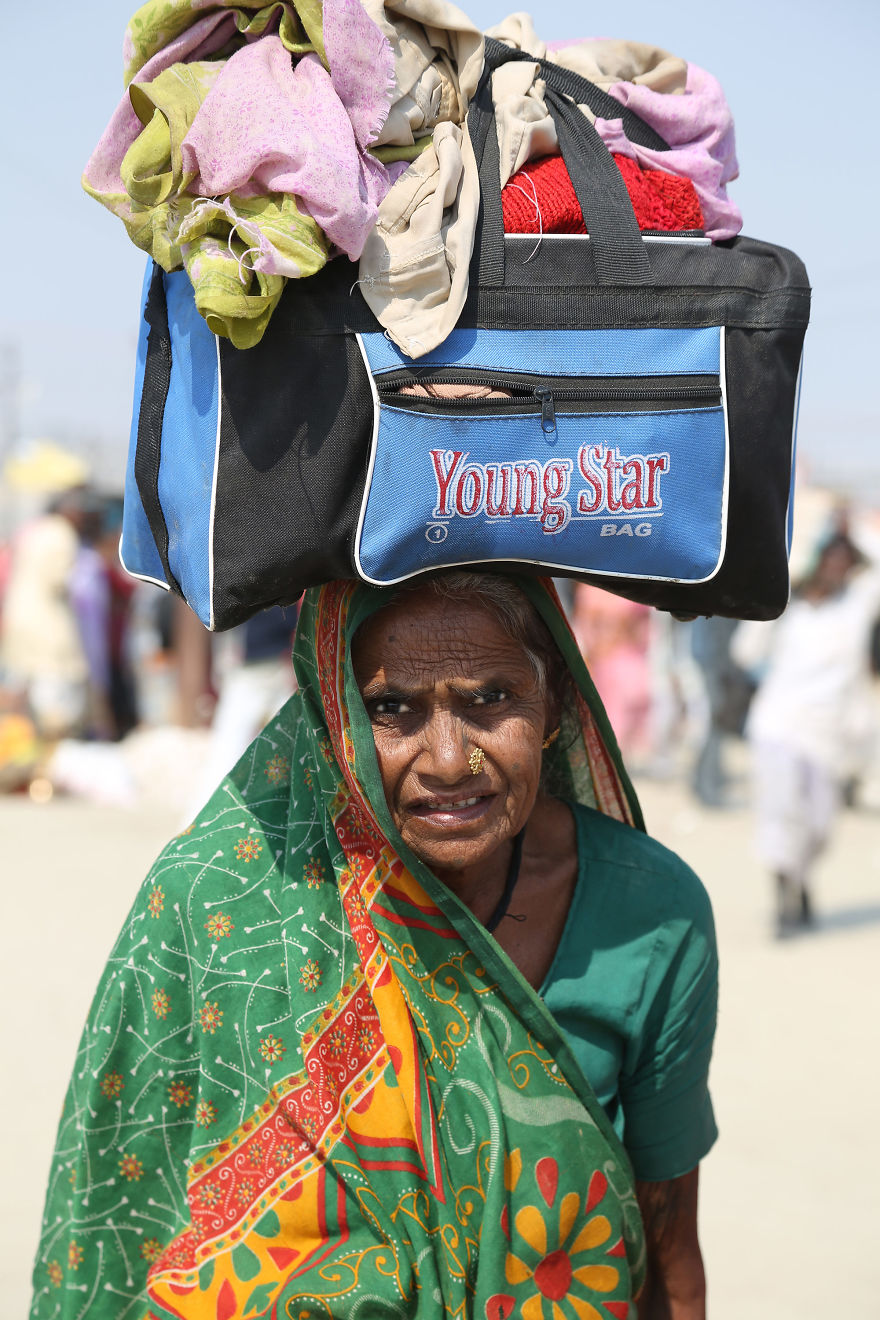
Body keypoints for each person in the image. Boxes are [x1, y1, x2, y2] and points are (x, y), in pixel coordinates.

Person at [31, 573, 717, 1319]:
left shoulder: (649, 914)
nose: (451, 760)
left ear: (553, 700)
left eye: (491, 699)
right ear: (332, 714)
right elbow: (123, 1220)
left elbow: (667, 1239)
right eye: (391, 708)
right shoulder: (223, 903)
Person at [734, 533, 880, 934]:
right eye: (828, 560)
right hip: (778, 726)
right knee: (780, 813)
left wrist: (846, 528)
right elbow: (745, 653)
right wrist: (774, 602)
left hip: (828, 735)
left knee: (819, 825)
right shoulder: (787, 609)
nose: (834, 569)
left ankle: (801, 877)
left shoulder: (856, 607)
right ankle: (783, 898)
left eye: (844, 562)